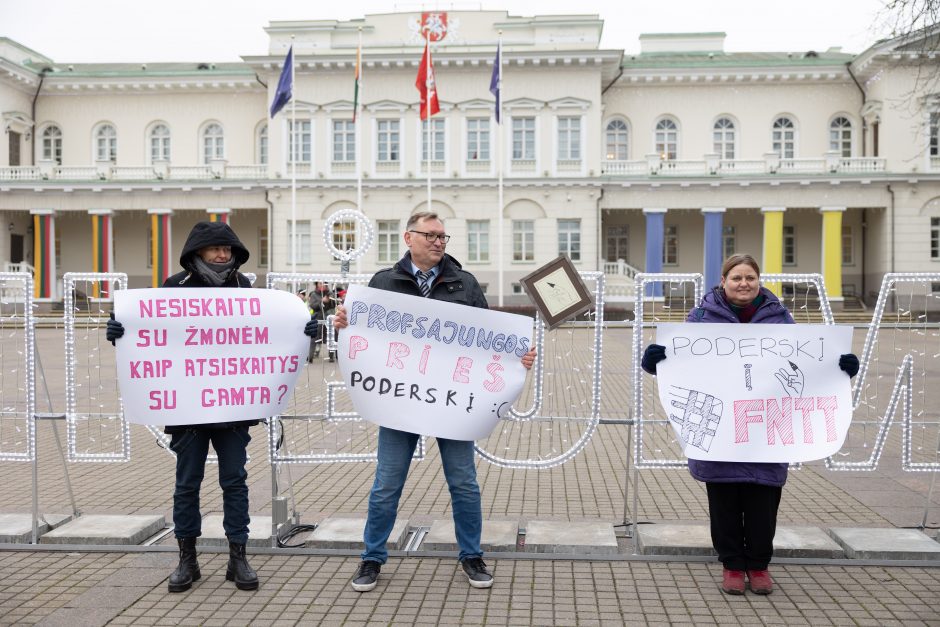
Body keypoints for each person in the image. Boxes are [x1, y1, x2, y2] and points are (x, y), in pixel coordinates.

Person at [106, 221, 317, 593]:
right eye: (215, 249)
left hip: (232, 408)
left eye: (228, 249)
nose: (223, 255)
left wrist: (301, 330)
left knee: (235, 482)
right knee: (187, 485)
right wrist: (121, 334)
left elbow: (262, 335)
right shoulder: (175, 287)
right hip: (187, 409)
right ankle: (187, 558)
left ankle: (239, 556)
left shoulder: (244, 288)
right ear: (197, 252)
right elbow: (155, 335)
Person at [332, 212, 537, 592]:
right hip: (401, 402)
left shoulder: (464, 283)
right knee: (386, 484)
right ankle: (371, 558)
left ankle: (471, 556)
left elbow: (488, 340)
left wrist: (516, 358)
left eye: (444, 236)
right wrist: (344, 325)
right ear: (409, 237)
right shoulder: (383, 282)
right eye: (431, 235)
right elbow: (362, 330)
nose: (439, 242)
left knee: (464, 483)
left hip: (451, 403)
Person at [641, 253, 859, 596]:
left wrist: (840, 367)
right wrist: (654, 362)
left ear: (758, 281)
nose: (743, 284)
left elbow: (805, 362)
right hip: (722, 431)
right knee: (724, 503)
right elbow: (678, 364)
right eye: (736, 278)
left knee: (763, 506)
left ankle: (758, 565)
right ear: (723, 281)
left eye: (750, 278)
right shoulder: (700, 318)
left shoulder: (780, 318)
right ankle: (731, 565)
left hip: (765, 432)